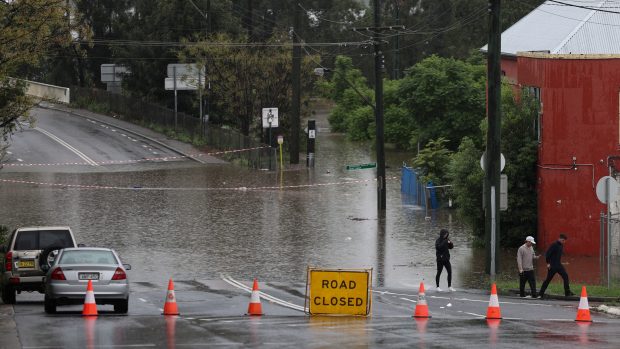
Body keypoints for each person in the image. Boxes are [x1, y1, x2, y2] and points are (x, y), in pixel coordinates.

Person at [539, 233, 574, 298]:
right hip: (552, 266)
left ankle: (567, 292)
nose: (564, 242)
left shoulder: (561, 245)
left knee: (565, 276)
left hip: (558, 265)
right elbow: (547, 254)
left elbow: (556, 256)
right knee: (548, 280)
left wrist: (562, 263)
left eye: (564, 241)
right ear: (559, 239)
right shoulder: (554, 245)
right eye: (563, 240)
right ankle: (541, 294)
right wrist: (548, 263)